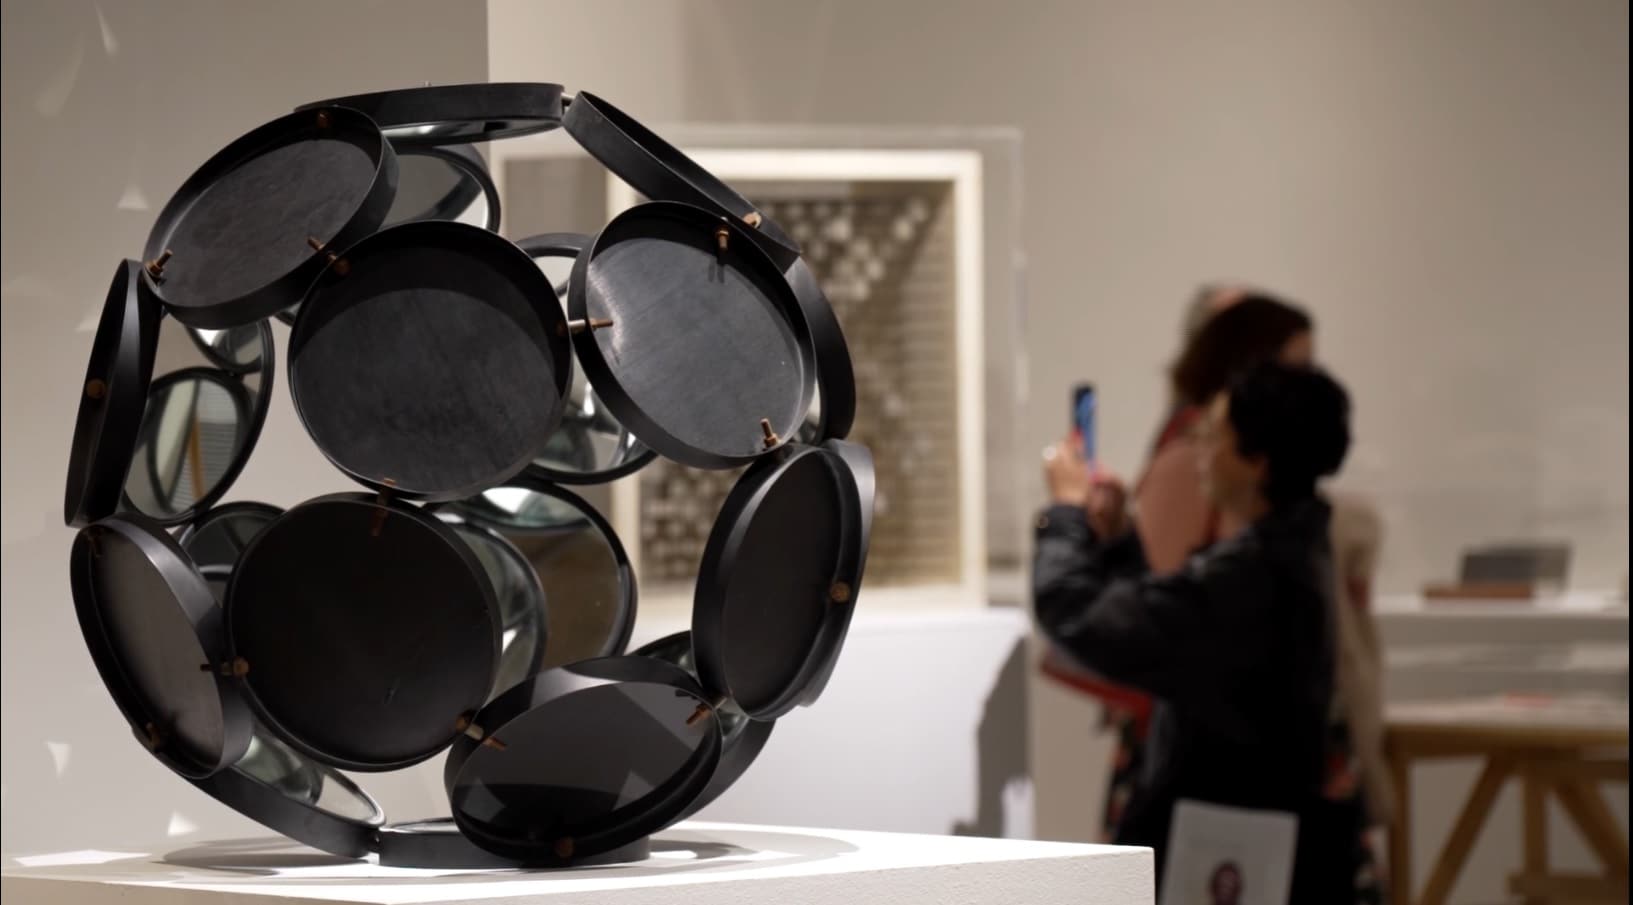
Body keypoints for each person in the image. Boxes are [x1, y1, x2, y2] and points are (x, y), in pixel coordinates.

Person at [1034, 362, 1360, 901]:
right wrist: (1119, 542)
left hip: (1226, 845)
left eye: (1215, 436)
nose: (1201, 451)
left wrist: (1064, 515)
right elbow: (1164, 631)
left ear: (1257, 460)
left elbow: (1079, 616)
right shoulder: (1290, 554)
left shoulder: (1251, 577)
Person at [1091, 290, 1317, 843]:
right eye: (1294, 369)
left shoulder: (1274, 495)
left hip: (1241, 752)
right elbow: (1151, 613)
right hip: (1199, 756)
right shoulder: (1190, 466)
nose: (1306, 388)